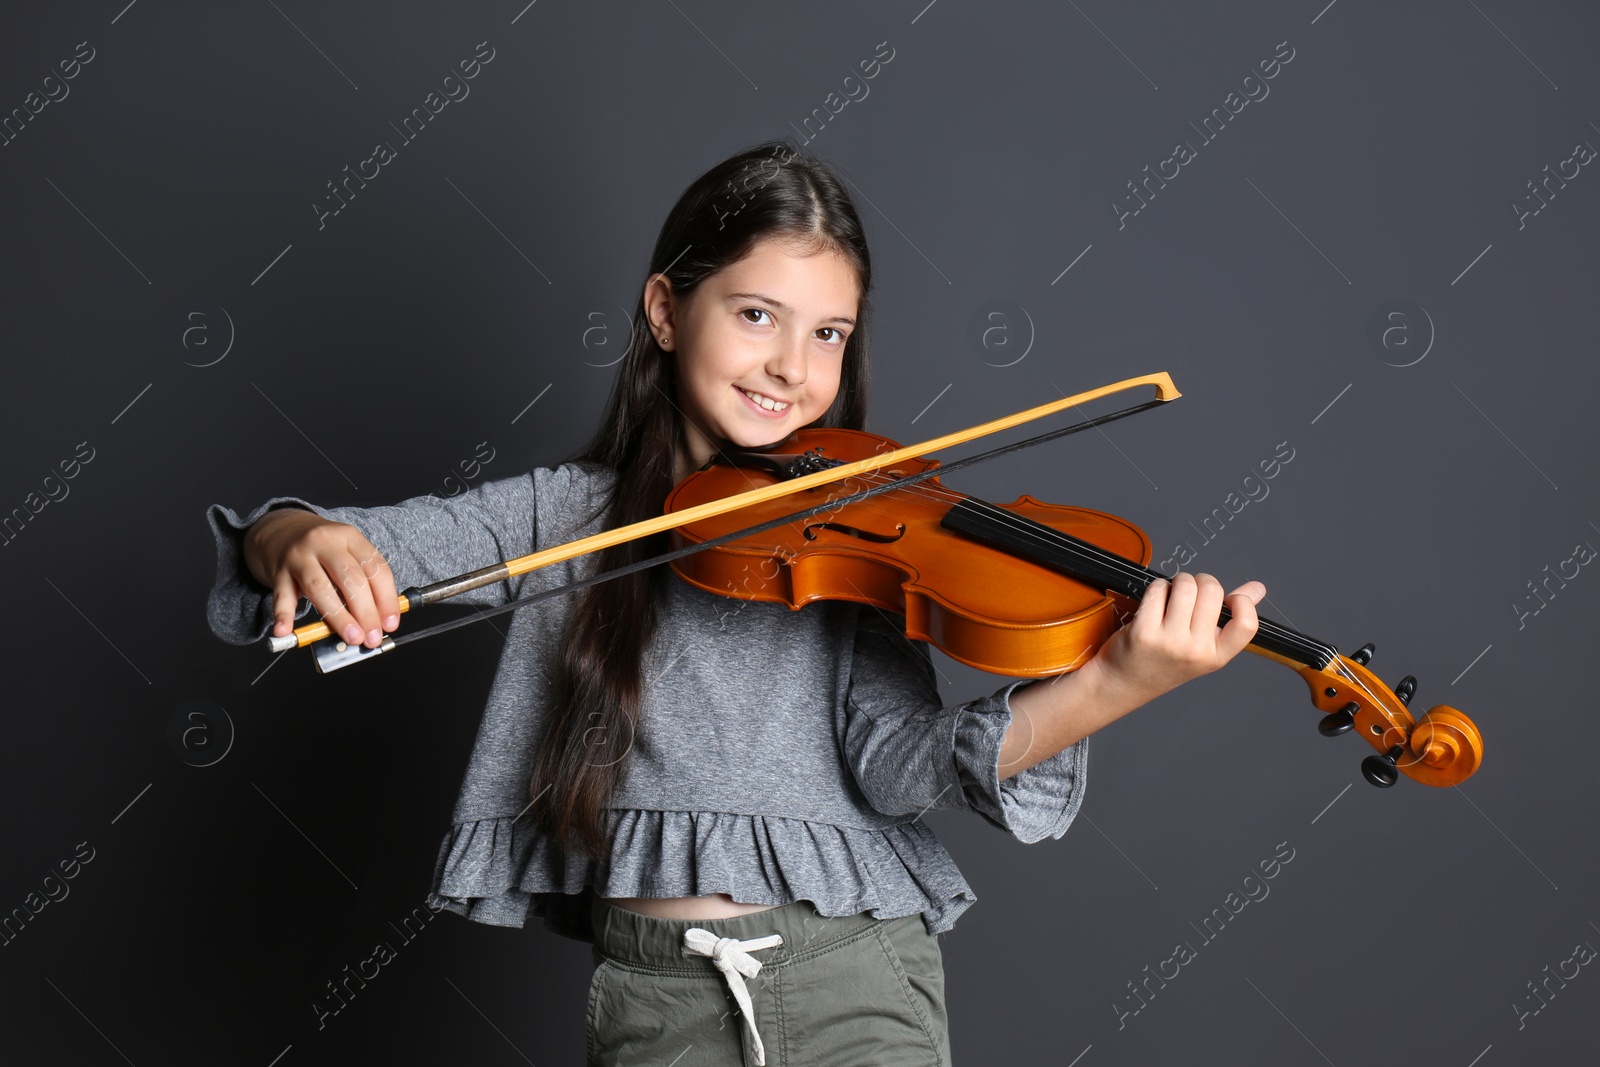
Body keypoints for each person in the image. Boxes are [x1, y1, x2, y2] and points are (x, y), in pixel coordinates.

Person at [204, 138, 1264, 1066]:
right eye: (756, 314)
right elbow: (332, 544)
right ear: (666, 310)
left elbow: (894, 769)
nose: (791, 368)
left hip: (858, 975)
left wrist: (1113, 684)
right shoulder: (562, 515)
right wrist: (290, 534)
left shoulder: (857, 519)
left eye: (828, 334)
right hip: (657, 998)